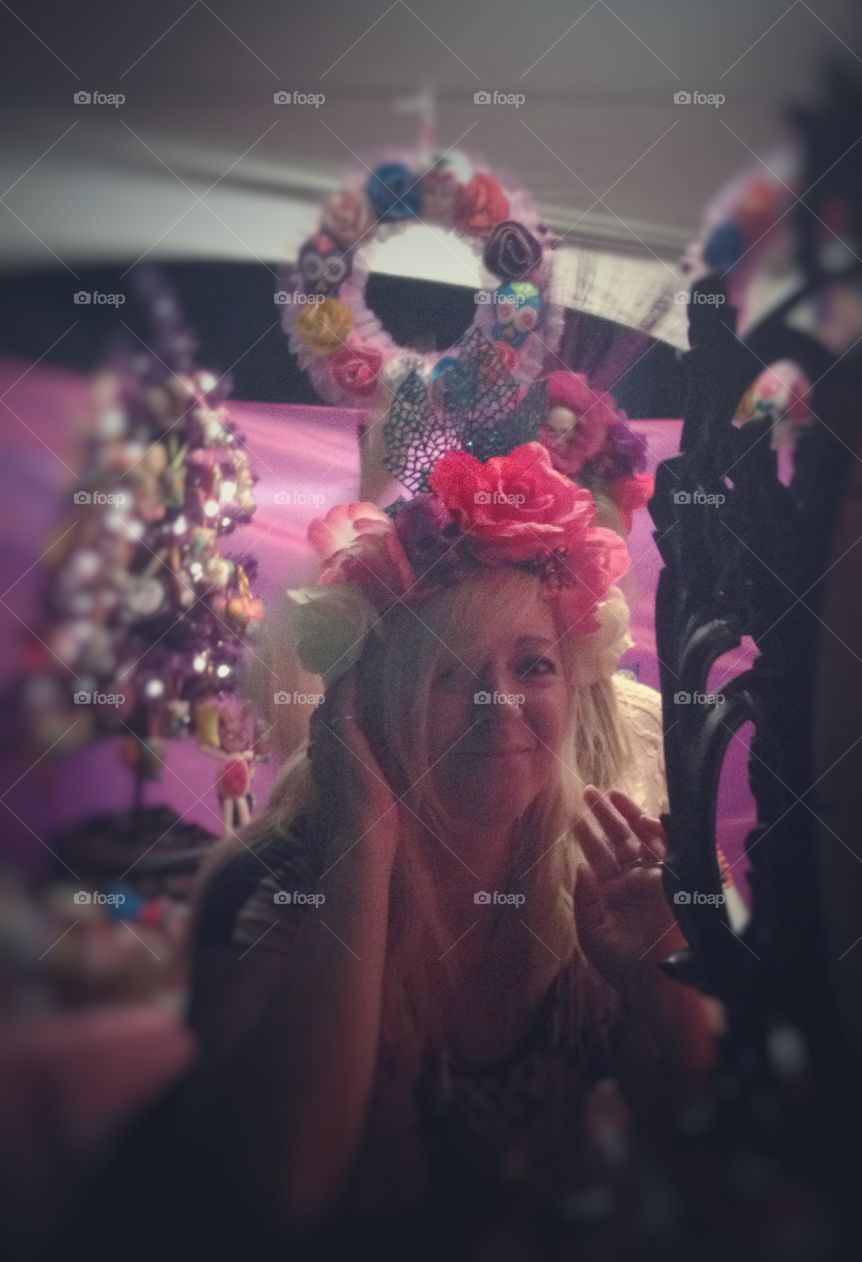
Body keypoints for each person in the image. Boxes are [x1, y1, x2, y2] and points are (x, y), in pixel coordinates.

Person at [181, 440, 719, 1252]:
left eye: (532, 664)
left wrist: (658, 982)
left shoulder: (613, 872)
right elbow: (279, 1199)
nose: (498, 705)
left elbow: (711, 1168)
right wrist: (364, 843)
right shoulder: (280, 886)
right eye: (445, 674)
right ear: (369, 706)